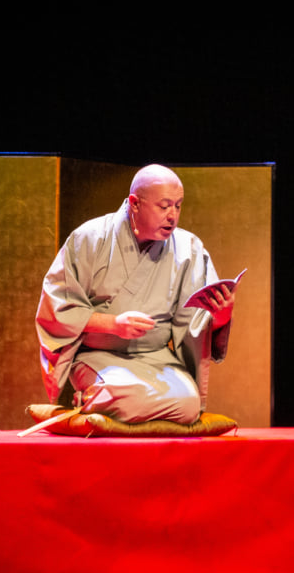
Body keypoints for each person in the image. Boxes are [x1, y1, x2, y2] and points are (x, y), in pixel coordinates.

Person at [35, 164, 235, 426]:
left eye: (178, 206)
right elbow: (58, 307)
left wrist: (221, 317)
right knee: (125, 397)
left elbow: (194, 322)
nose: (173, 216)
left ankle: (99, 402)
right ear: (135, 204)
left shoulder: (189, 249)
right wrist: (113, 324)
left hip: (156, 358)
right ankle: (94, 396)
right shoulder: (90, 239)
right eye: (164, 206)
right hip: (97, 356)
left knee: (189, 405)